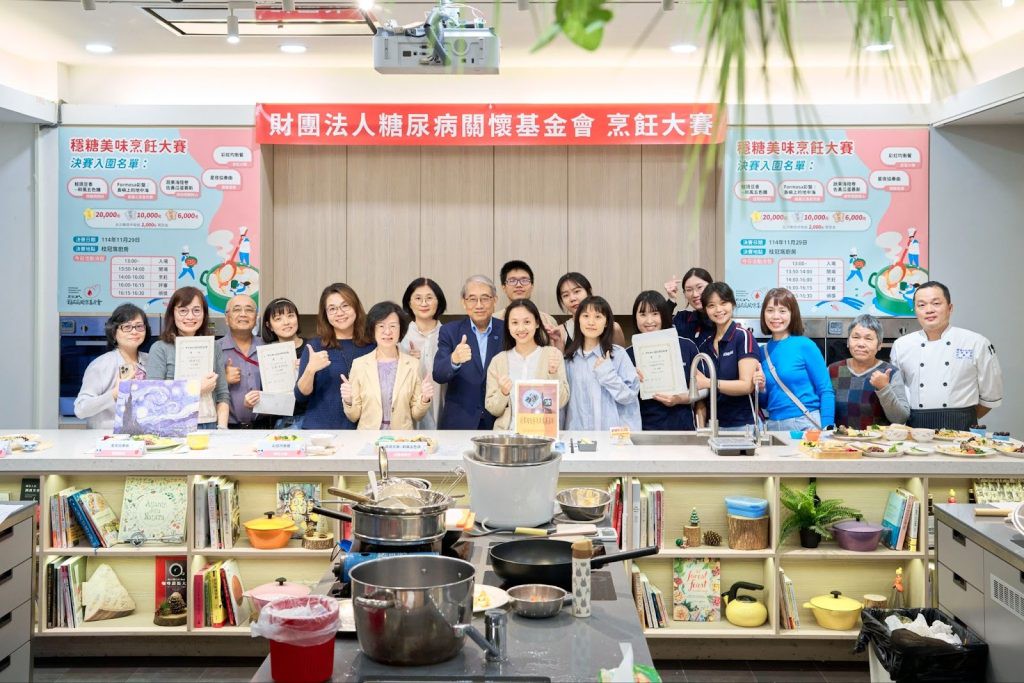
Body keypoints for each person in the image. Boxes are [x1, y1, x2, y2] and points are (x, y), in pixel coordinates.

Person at [890, 281, 1003, 430]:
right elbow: (897, 394)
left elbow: (990, 396)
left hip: (962, 428)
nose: (929, 310)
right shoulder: (901, 345)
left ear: (950, 308)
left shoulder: (976, 343)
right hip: (916, 429)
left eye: (936, 303)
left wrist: (962, 418)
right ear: (915, 310)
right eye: (921, 305)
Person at [147, 286, 229, 429]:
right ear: (173, 313)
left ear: (204, 314)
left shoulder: (213, 346)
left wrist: (222, 429)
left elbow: (222, 394)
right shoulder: (160, 348)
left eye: (196, 310)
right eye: (183, 311)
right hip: (172, 426)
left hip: (209, 424)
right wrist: (196, 389)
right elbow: (153, 395)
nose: (190, 317)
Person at [342, 302, 433, 430]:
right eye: (381, 326)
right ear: (373, 330)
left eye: (393, 326)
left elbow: (417, 415)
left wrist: (424, 399)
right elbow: (354, 416)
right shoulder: (359, 364)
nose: (387, 331)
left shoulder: (413, 364)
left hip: (401, 437)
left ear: (400, 330)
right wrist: (348, 400)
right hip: (368, 437)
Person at [754, 288, 835, 431]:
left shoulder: (805, 345)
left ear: (792, 314)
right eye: (770, 310)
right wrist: (761, 389)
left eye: (782, 311)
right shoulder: (762, 352)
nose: (775, 316)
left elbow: (826, 390)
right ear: (763, 314)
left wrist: (827, 427)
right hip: (773, 425)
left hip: (805, 423)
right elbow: (766, 403)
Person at [296, 283, 375, 430]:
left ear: (356, 307)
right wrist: (310, 370)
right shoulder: (315, 347)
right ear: (325, 314)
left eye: (345, 306)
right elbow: (300, 397)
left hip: (362, 430)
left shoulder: (372, 346)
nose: (339, 313)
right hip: (320, 430)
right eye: (332, 309)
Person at [433, 275, 506, 429]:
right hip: (460, 422)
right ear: (464, 302)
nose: (479, 305)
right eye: (472, 299)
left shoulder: (507, 330)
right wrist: (454, 359)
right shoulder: (449, 331)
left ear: (495, 300)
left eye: (485, 298)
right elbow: (438, 374)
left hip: (498, 420)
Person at [625, 291, 704, 431]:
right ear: (635, 317)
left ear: (664, 315)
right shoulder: (627, 355)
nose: (649, 321)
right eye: (643, 314)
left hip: (683, 429)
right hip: (644, 430)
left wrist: (680, 399)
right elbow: (622, 397)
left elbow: (704, 389)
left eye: (655, 313)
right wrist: (632, 382)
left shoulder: (687, 346)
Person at [485, 299, 569, 430]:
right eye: (514, 322)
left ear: (537, 323)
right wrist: (503, 392)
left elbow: (561, 402)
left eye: (527, 322)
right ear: (508, 326)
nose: (521, 328)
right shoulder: (498, 361)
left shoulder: (552, 354)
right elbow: (493, 409)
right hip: (508, 435)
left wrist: (553, 374)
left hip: (542, 434)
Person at [563, 296, 641, 431]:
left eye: (598, 317)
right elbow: (562, 404)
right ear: (578, 320)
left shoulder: (618, 355)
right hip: (576, 436)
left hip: (613, 437)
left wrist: (607, 374)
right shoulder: (569, 359)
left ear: (606, 322)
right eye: (586, 316)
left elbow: (629, 396)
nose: (591, 322)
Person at [74, 304, 151, 429]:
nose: (134, 331)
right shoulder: (100, 365)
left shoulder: (152, 361)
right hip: (107, 437)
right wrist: (115, 393)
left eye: (139, 326)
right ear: (114, 333)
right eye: (127, 327)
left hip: (145, 435)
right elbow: (80, 409)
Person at [829, 314, 911, 429]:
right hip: (841, 439)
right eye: (856, 337)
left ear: (879, 345)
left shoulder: (890, 372)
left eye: (868, 339)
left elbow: (900, 418)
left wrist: (884, 388)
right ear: (848, 342)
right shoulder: (832, 370)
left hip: (879, 440)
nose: (861, 344)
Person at [695, 282, 759, 429]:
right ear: (705, 310)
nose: (718, 310)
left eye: (723, 303)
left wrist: (709, 382)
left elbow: (746, 385)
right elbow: (701, 391)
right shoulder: (705, 345)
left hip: (743, 425)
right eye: (711, 305)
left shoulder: (742, 336)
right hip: (714, 425)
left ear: (733, 304)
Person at [217, 294, 272, 429]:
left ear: (256, 317)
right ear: (226, 318)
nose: (243, 314)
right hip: (226, 429)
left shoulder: (269, 348)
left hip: (263, 428)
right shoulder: (214, 350)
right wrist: (223, 380)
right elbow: (200, 394)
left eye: (249, 310)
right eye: (237, 309)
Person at [399, 278, 447, 430]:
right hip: (410, 417)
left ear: (438, 301)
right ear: (409, 303)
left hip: (444, 410)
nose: (424, 303)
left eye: (429, 298)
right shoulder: (400, 337)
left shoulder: (449, 335)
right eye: (418, 298)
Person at [261, 297, 306, 428]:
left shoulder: (313, 347)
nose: (286, 322)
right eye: (278, 319)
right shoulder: (266, 353)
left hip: (311, 417)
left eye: (290, 316)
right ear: (269, 326)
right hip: (281, 421)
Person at [552, 272, 626, 350]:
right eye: (565, 295)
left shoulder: (613, 328)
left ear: (589, 291)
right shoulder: (560, 332)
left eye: (577, 291)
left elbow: (621, 356)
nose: (572, 298)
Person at [494, 260, 558, 330]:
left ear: (532, 286)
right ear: (504, 288)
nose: (518, 285)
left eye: (524, 280)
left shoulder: (548, 321)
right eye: (512, 281)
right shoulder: (493, 320)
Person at [663, 267, 715, 346]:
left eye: (699, 287)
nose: (695, 294)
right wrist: (671, 299)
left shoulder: (720, 320)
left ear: (711, 287)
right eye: (689, 290)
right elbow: (659, 326)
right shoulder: (682, 319)